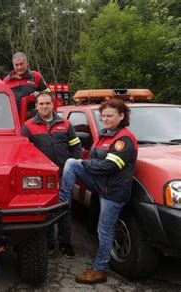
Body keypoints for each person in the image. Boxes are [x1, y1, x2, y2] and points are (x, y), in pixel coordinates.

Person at [58, 99, 138, 284]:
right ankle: (64, 203)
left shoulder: (124, 139)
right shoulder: (104, 134)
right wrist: (89, 164)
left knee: (104, 230)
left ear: (121, 116)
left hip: (113, 192)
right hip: (101, 185)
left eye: (110, 115)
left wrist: (87, 164)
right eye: (103, 116)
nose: (106, 119)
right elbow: (96, 160)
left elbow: (109, 166)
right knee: (71, 163)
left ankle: (100, 269)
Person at [22, 91, 82, 258]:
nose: (44, 106)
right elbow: (24, 153)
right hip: (42, 180)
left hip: (64, 176)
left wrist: (74, 166)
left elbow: (76, 147)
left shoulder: (65, 124)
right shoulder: (28, 126)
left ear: (53, 104)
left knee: (65, 210)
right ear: (36, 106)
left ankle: (65, 243)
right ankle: (49, 245)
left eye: (47, 103)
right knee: (46, 212)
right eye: (41, 104)